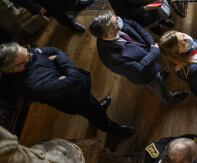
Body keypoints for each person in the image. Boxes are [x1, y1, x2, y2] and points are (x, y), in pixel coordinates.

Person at [0, 43, 134, 136]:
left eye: (28, 50)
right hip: (74, 99)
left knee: (92, 105)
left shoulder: (25, 54)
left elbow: (54, 50)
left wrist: (59, 60)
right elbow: (74, 78)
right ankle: (112, 128)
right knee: (95, 114)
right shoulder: (32, 86)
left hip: (76, 89)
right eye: (28, 58)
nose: (32, 54)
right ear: (12, 69)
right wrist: (59, 60)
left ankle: (97, 106)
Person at [90, 12, 188, 104]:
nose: (118, 19)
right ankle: (169, 98)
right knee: (157, 85)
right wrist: (154, 52)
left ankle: (160, 75)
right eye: (116, 21)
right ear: (111, 33)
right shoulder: (111, 57)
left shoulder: (115, 22)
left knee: (158, 75)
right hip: (145, 74)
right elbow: (138, 68)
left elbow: (135, 26)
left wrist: (152, 44)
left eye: (115, 17)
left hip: (148, 55)